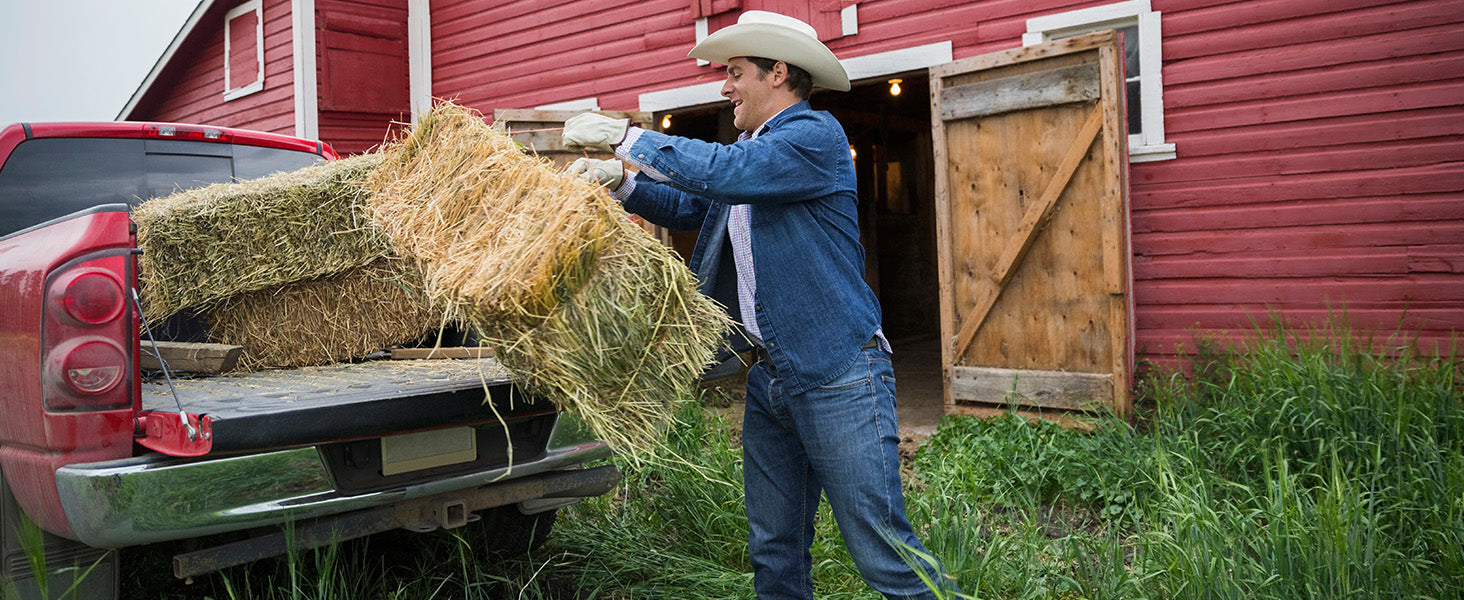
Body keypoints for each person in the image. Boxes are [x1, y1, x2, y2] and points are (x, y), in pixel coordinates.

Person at [559, 10, 960, 599]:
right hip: (771, 379)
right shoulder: (754, 156)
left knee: (884, 555)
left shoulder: (812, 136)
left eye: (734, 72)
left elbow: (727, 172)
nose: (724, 86)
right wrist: (619, 182)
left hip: (838, 375)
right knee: (774, 554)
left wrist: (627, 137)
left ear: (777, 73)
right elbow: (702, 207)